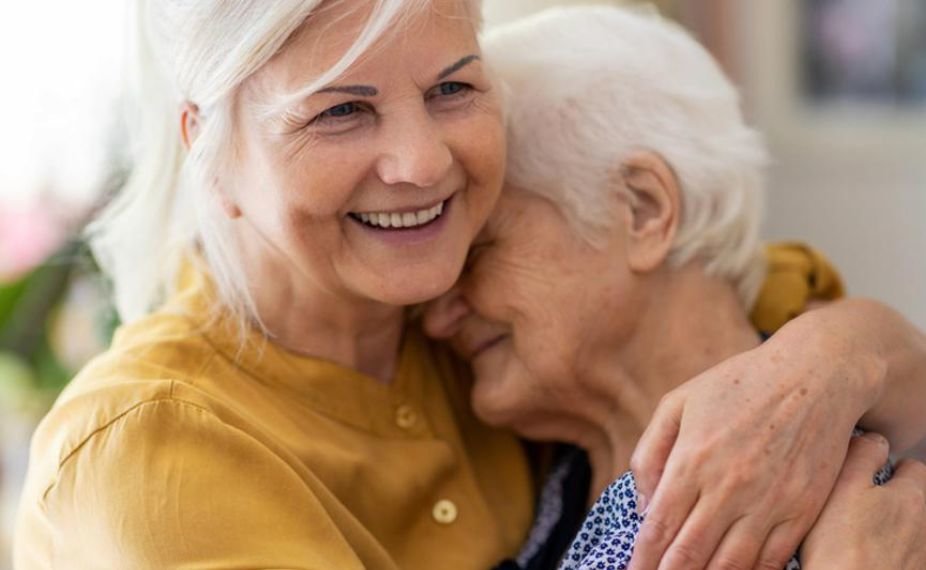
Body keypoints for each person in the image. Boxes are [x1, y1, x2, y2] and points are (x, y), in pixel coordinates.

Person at [11, 0, 925, 568]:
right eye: (339, 111)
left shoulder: (445, 310)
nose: (420, 164)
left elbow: (764, 311)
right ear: (208, 151)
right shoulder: (149, 452)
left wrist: (845, 354)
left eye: (453, 90)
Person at [424, 6, 926, 569]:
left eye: (478, 250)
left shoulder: (840, 507)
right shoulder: (560, 482)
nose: (436, 313)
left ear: (644, 209)